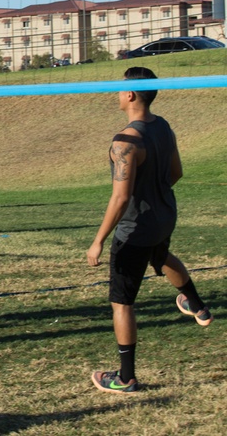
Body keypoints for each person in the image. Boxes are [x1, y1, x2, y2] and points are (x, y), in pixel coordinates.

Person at [87, 67, 213, 394]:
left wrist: (98, 241)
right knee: (162, 255)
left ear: (130, 95)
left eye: (119, 90)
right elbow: (177, 172)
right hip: (164, 215)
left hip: (135, 229)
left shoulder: (125, 141)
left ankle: (125, 377)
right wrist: (155, 197)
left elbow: (120, 197)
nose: (117, 94)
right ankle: (197, 306)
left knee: (122, 302)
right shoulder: (163, 127)